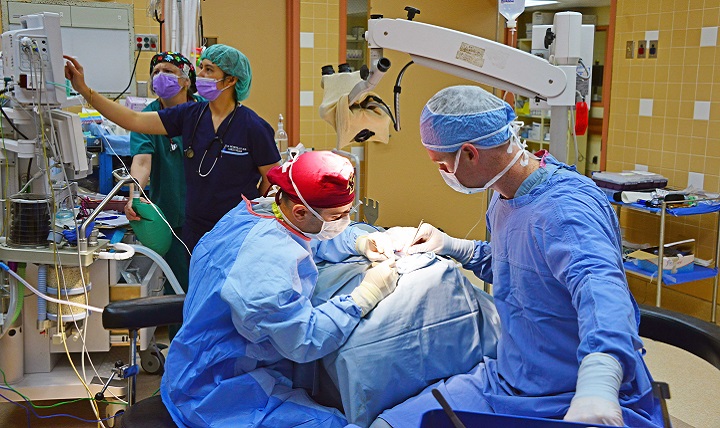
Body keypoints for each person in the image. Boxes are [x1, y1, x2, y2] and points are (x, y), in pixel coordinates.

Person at [369, 85, 664, 428]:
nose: (442, 172)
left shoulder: (566, 211)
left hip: (572, 395)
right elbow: (519, 269)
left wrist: (598, 385)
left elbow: (604, 295)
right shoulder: (504, 194)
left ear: (468, 153)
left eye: (441, 163)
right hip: (507, 379)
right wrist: (452, 246)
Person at [160, 150, 399, 427]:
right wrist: (364, 296)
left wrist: (357, 241)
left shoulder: (263, 212)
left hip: (201, 362)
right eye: (338, 216)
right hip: (216, 390)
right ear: (299, 211)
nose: (343, 221)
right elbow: (304, 340)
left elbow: (310, 235)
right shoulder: (266, 268)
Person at [64, 44, 281, 254]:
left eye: (209, 69)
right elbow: (133, 120)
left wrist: (251, 210)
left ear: (231, 80)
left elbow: (272, 178)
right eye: (201, 67)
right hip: (196, 228)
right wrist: (84, 89)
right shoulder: (190, 115)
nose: (201, 74)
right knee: (193, 287)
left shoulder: (253, 127)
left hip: (237, 229)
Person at [124, 52, 200, 317]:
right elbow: (142, 162)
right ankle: (183, 349)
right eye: (155, 72)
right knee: (180, 287)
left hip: (211, 214)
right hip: (172, 218)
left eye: (167, 71)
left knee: (213, 282)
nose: (159, 77)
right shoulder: (147, 118)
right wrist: (134, 194)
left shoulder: (204, 112)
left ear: (185, 80)